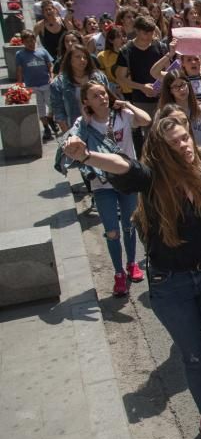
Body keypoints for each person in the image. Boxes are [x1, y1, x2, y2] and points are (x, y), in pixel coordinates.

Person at [60, 115, 201, 439]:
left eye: (186, 138)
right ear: (160, 149)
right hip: (170, 285)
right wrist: (85, 156)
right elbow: (122, 167)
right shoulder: (151, 179)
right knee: (193, 356)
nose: (185, 145)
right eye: (175, 142)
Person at [62, 82, 151, 295]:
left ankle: (132, 264)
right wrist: (83, 122)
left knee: (130, 226)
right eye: (95, 96)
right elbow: (69, 142)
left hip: (128, 180)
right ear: (86, 101)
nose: (102, 98)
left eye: (103, 93)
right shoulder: (84, 123)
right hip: (102, 184)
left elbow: (146, 120)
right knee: (112, 231)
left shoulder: (122, 116)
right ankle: (118, 273)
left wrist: (127, 103)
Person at [51, 45, 113, 133]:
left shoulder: (99, 77)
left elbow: (109, 102)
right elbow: (59, 113)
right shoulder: (58, 83)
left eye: (85, 57)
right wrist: (68, 135)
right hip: (76, 129)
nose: (82, 60)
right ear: (70, 60)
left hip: (102, 127)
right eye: (78, 57)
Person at [156, 70, 201, 153]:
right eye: (176, 87)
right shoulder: (163, 113)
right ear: (170, 90)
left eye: (183, 84)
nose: (181, 89)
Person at [14, 30, 59, 141]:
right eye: (27, 41)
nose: (31, 43)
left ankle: (50, 119)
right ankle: (46, 128)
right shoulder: (20, 55)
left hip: (45, 83)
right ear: (23, 42)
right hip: (32, 86)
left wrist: (51, 76)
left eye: (32, 40)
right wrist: (19, 84)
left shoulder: (42, 52)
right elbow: (19, 70)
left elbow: (50, 66)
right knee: (40, 108)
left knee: (52, 105)